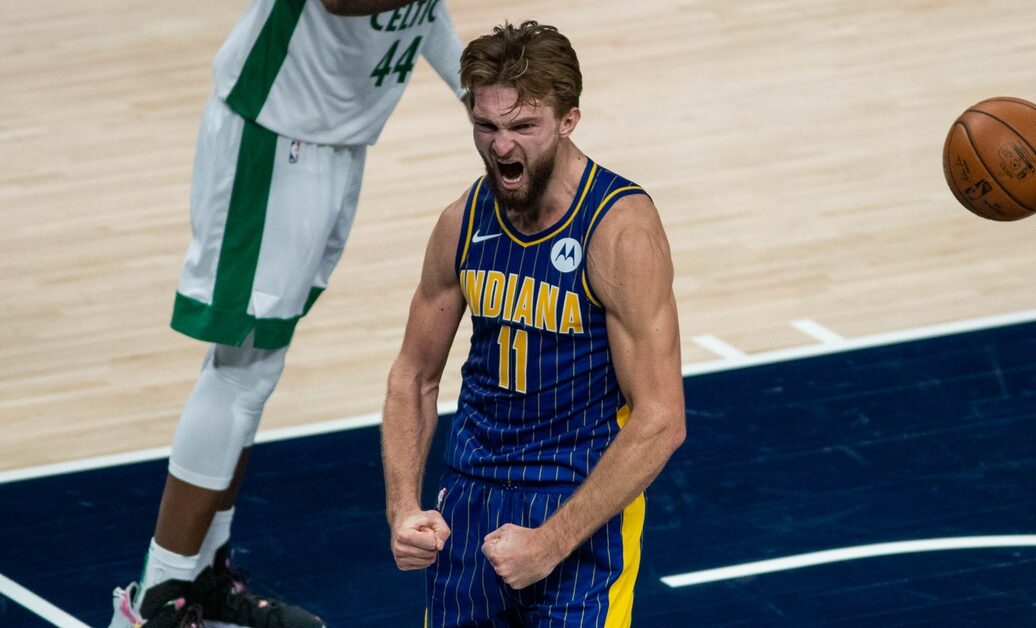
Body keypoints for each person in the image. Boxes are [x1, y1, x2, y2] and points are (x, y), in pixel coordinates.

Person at [108, 1, 466, 627]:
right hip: (272, 132)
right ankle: (154, 602)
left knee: (255, 371)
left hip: (335, 138)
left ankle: (201, 579)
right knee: (240, 368)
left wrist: (478, 93)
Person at [381, 20, 687, 627]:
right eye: (486, 127)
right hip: (469, 503)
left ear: (569, 120)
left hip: (578, 504)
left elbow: (660, 419)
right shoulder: (461, 223)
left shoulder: (619, 231)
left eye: (523, 127)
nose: (501, 147)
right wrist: (402, 509)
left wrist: (550, 541)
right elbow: (413, 375)